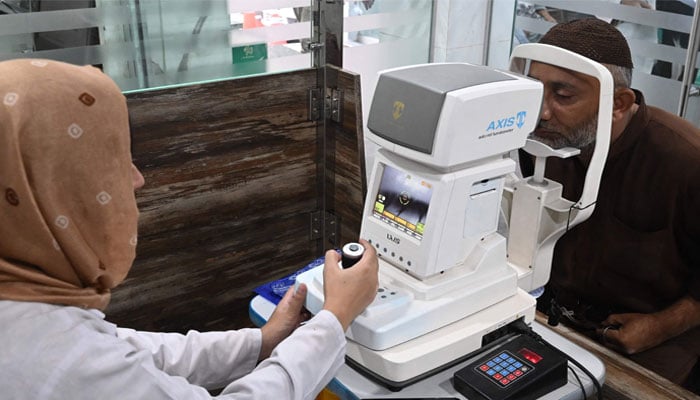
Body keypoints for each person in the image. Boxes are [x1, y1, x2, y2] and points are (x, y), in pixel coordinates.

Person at [0, 58, 380, 399]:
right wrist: (334, 318)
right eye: (112, 161)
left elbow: (128, 350)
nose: (136, 179)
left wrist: (262, 342)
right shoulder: (57, 358)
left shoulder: (24, 305)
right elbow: (100, 363)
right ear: (48, 187)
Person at [517, 19, 700, 392]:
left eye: (563, 96)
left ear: (618, 103)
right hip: (552, 316)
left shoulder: (685, 161)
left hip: (650, 338)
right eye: (536, 91)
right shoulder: (541, 143)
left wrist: (661, 325)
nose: (543, 112)